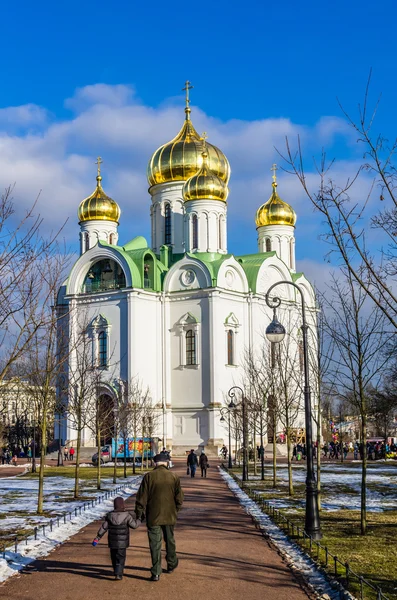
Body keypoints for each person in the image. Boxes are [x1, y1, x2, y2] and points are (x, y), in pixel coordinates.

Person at [135, 451, 184, 582]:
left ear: (155, 463)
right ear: (166, 463)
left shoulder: (149, 477)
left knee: (155, 544)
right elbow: (179, 498)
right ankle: (171, 564)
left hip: (153, 516)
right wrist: (175, 510)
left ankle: (156, 572)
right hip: (169, 515)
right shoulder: (174, 477)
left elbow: (141, 498)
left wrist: (140, 514)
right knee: (170, 540)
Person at [93, 496, 141, 580]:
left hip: (112, 542)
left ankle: (116, 570)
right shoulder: (127, 516)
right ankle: (118, 574)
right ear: (123, 505)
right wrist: (140, 519)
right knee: (121, 558)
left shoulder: (110, 516)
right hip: (122, 543)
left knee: (113, 556)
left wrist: (97, 537)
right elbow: (134, 525)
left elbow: (103, 528)